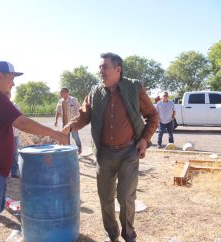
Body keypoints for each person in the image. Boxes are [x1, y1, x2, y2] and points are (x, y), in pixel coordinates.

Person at [0, 61, 67, 242]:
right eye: (11, 78)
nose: (14, 83)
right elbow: (22, 123)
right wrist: (55, 134)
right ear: (0, 76)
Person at [61, 52, 159, 242]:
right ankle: (112, 235)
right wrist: (69, 127)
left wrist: (144, 139)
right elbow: (84, 115)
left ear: (118, 69)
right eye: (99, 67)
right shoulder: (95, 91)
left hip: (129, 152)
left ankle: (129, 236)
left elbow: (153, 116)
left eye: (104, 67)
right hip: (104, 153)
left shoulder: (134, 88)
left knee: (125, 197)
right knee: (105, 198)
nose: (100, 71)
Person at [55, 87, 82, 154]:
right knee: (65, 137)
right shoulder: (60, 101)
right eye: (60, 92)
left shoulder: (73, 100)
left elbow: (79, 111)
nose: (60, 94)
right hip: (64, 123)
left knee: (75, 136)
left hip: (72, 123)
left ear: (66, 93)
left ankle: (79, 147)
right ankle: (68, 150)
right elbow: (57, 111)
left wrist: (77, 120)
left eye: (62, 92)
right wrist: (56, 120)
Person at [6, 92, 20, 178]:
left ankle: (14, 172)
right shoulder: (1, 106)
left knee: (14, 153)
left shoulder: (15, 106)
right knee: (5, 153)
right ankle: (6, 172)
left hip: (14, 134)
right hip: (5, 134)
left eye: (8, 95)